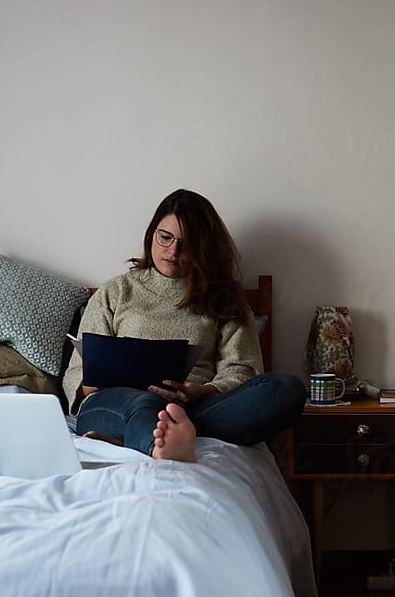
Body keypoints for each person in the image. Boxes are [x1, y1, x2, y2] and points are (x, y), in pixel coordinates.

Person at [61, 189, 306, 462]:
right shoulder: (115, 292)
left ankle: (146, 436)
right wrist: (92, 378)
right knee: (146, 402)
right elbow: (73, 383)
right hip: (116, 404)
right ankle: (161, 447)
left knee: (287, 389)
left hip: (195, 409)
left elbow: (243, 371)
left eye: (187, 244)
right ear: (152, 233)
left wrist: (201, 391)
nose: (173, 251)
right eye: (165, 237)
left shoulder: (225, 300)